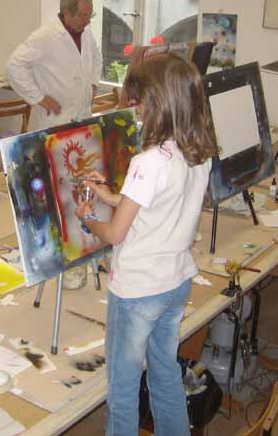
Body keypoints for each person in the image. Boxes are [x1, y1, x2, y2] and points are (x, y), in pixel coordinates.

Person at [75, 53, 217, 436]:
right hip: (175, 281)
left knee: (122, 387)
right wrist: (108, 195)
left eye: (138, 102)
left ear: (157, 103)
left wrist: (87, 218)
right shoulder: (197, 153)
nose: (136, 111)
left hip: (138, 289)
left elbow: (114, 234)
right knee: (165, 371)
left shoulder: (148, 161)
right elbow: (153, 201)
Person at [6, 0, 102, 131]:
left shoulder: (86, 32)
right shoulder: (46, 35)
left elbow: (96, 57)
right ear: (66, 13)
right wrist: (39, 98)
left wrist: (93, 84)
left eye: (90, 15)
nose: (87, 21)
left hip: (81, 116)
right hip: (53, 120)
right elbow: (14, 65)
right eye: (82, 16)